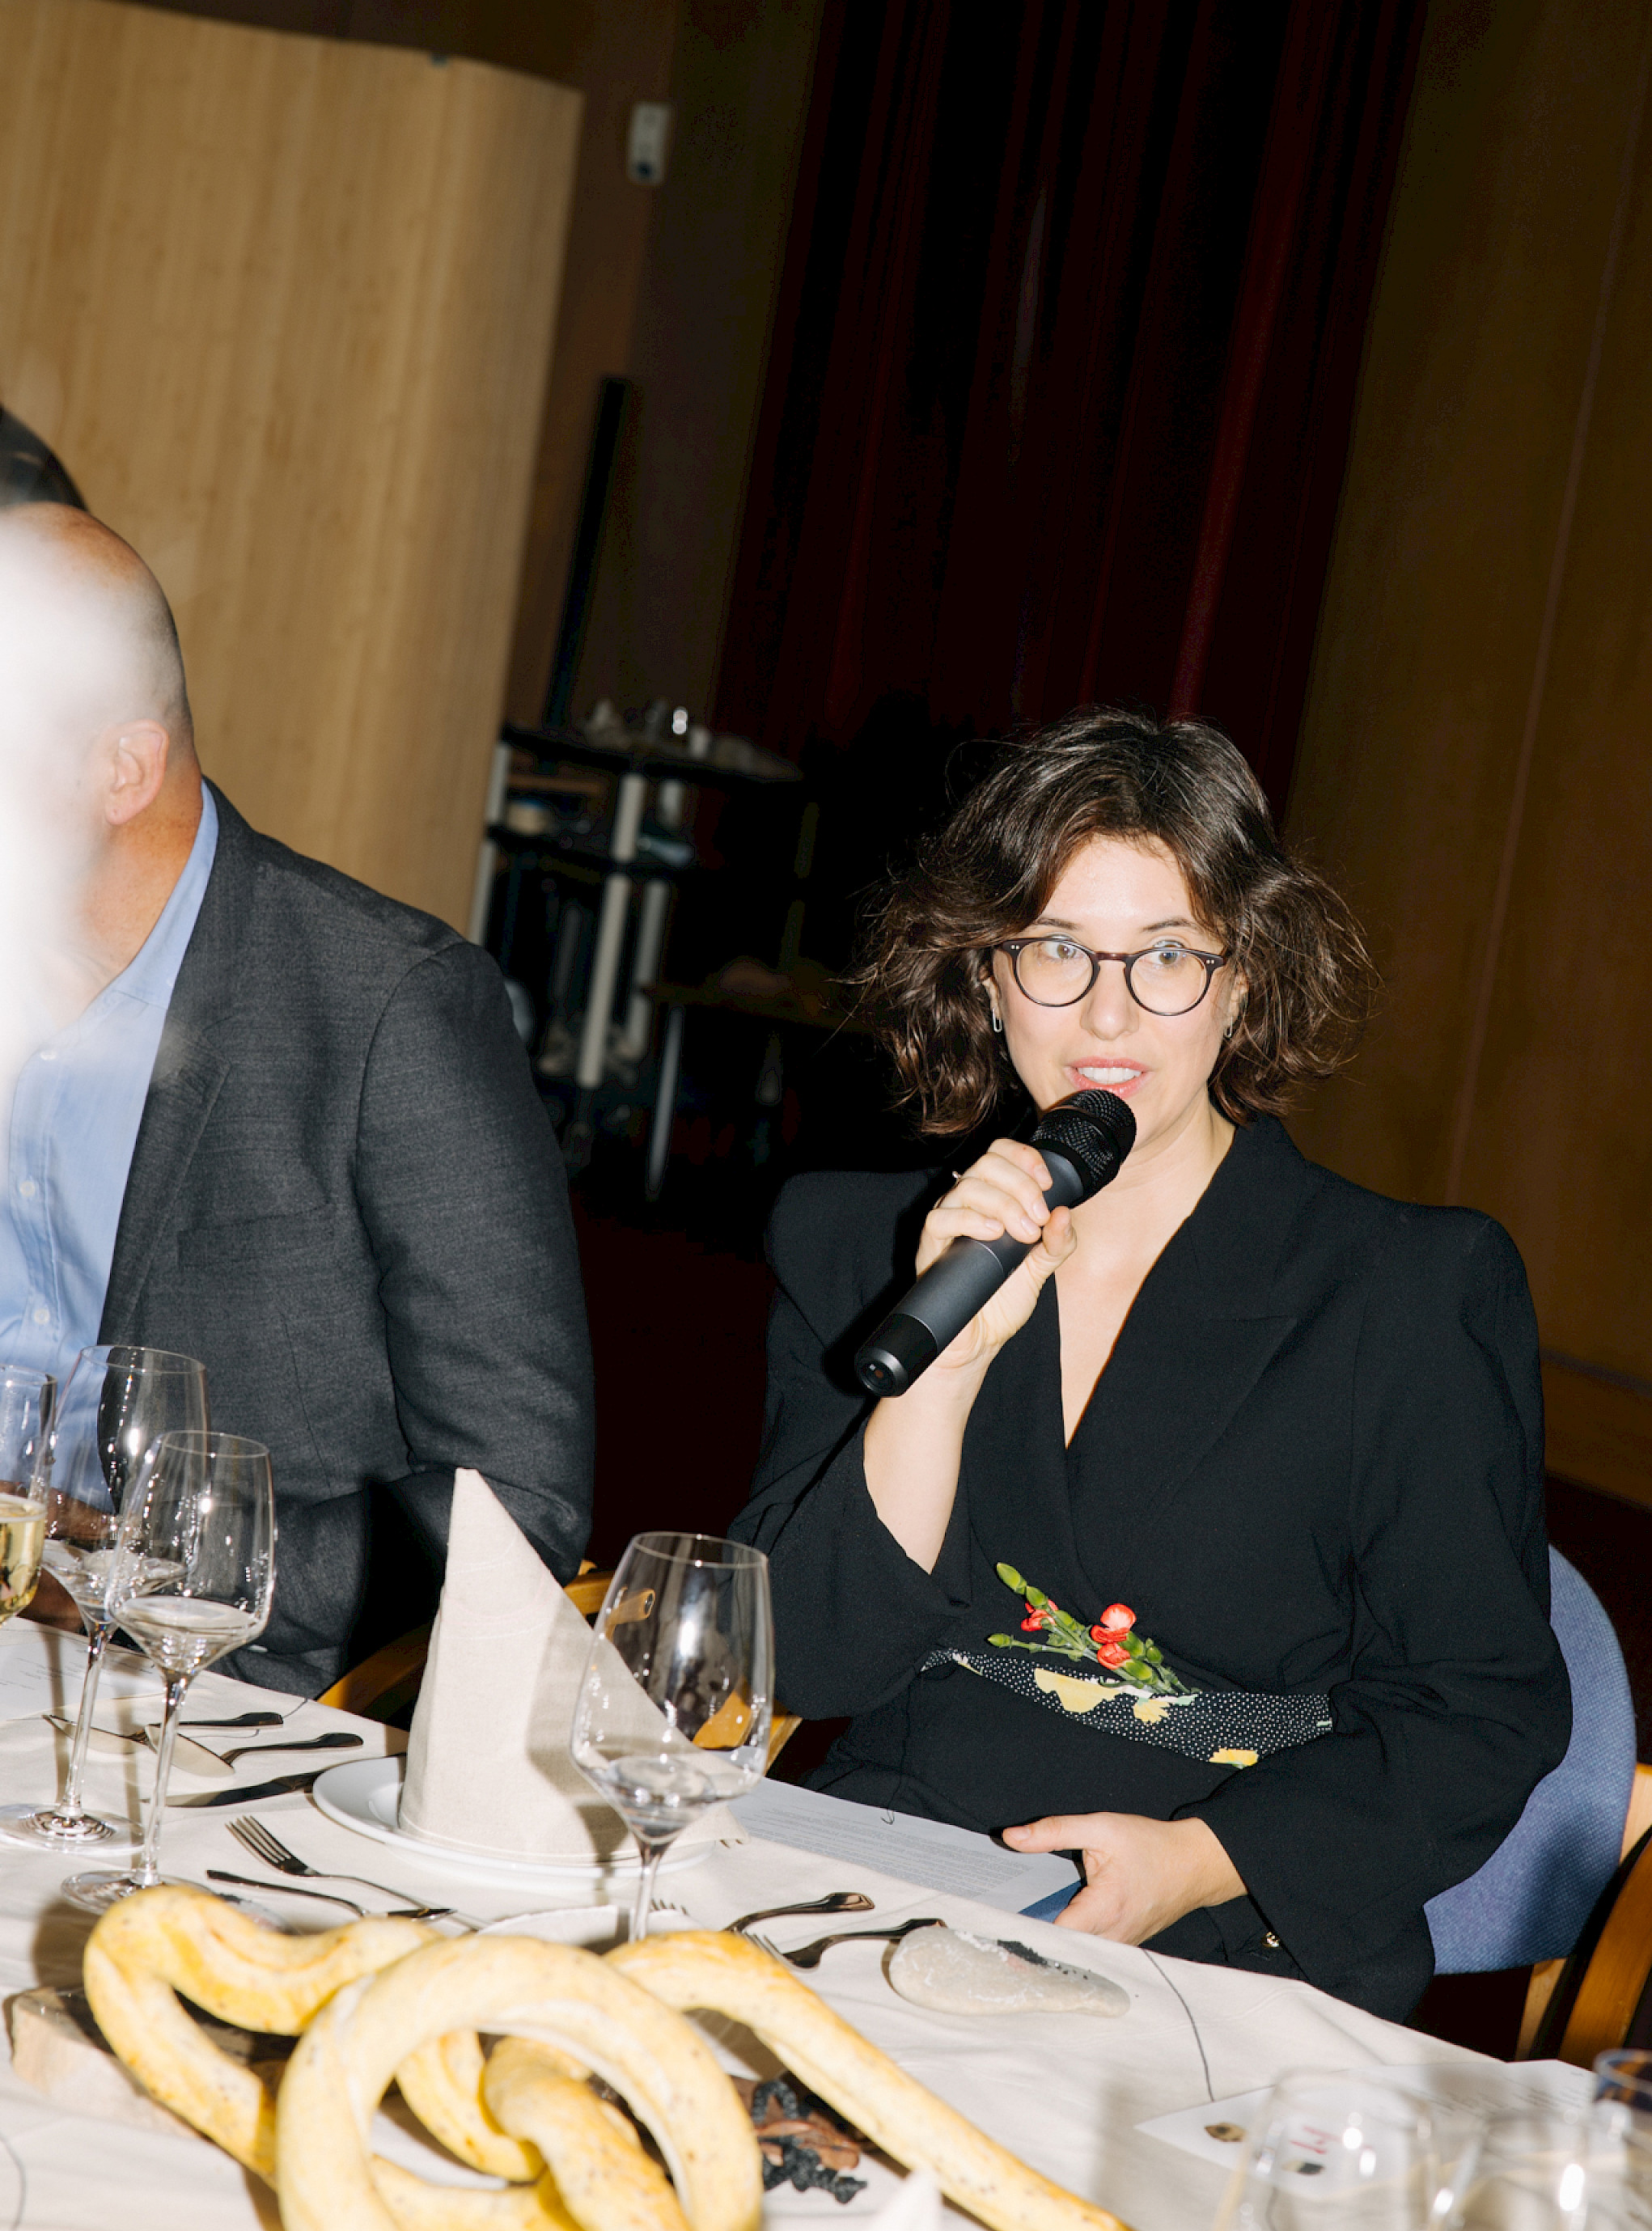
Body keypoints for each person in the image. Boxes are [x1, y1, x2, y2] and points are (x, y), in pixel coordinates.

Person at [732, 708, 1569, 2021]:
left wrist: (1201, 1863)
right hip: (896, 1871)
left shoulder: (1406, 1291)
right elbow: (801, 1666)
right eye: (1057, 949)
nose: (1106, 1012)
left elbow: (1482, 1710)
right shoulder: (862, 1248)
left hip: (1233, 1919)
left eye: (1167, 955)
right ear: (987, 976)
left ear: (1244, 979)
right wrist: (943, 1374)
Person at [0, 503, 594, 1695]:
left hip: (234, 1685)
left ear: (124, 769)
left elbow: (515, 1503)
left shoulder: (385, 1008)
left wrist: (130, 1577)